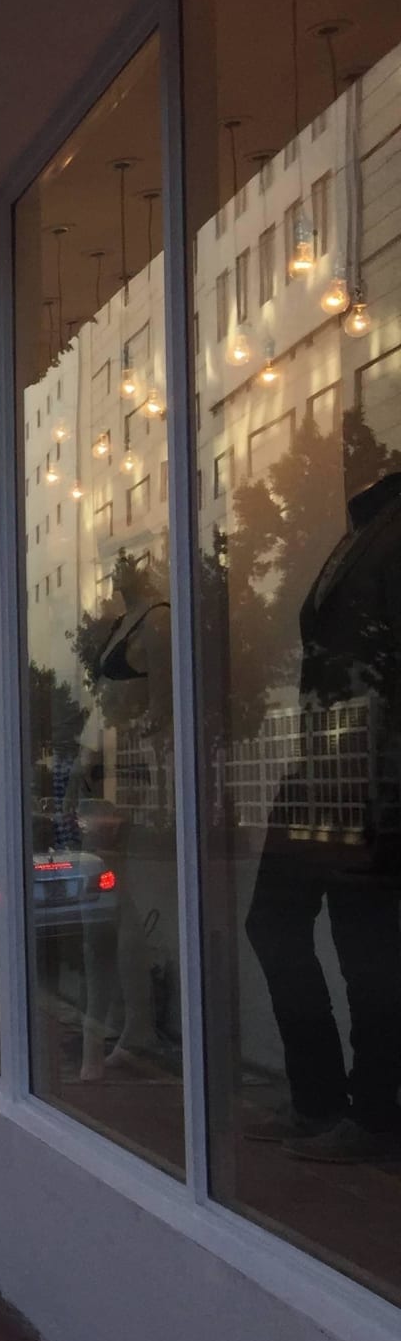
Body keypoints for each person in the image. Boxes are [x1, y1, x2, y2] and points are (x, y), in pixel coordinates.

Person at [245, 469, 401, 1162]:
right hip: (323, 764)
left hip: (368, 768)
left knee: (365, 942)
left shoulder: (390, 529)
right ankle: (322, 1098)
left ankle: (372, 1113)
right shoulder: (362, 526)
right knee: (276, 922)